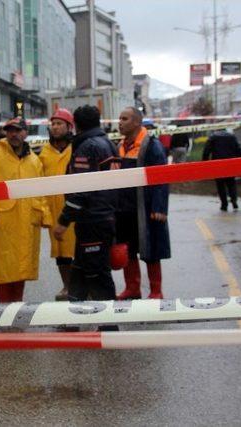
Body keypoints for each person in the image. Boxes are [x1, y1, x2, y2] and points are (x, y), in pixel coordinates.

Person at [0, 117, 52, 303]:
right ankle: (5, 309)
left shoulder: (34, 161)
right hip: (2, 223)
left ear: (25, 133)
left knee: (22, 269)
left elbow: (40, 190)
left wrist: (45, 215)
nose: (14, 134)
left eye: (18, 130)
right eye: (10, 130)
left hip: (27, 222)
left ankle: (16, 308)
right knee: (4, 269)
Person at [53, 105, 119, 303]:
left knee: (98, 276)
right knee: (80, 270)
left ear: (76, 125)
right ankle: (74, 317)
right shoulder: (108, 143)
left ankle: (108, 327)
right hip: (104, 216)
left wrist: (63, 220)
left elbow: (81, 189)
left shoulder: (87, 147)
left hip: (93, 220)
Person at [115, 107, 170, 300]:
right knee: (127, 251)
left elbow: (161, 178)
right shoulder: (120, 145)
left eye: (124, 118)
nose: (119, 122)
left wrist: (159, 207)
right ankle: (133, 288)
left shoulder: (151, 146)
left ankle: (156, 291)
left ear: (137, 122)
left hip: (145, 209)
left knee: (151, 250)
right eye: (120, 118)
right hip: (123, 210)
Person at [39, 108, 75, 301]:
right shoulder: (44, 153)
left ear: (69, 127)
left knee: (78, 250)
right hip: (54, 210)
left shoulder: (76, 148)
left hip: (75, 209)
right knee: (61, 253)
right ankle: (67, 286)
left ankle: (81, 287)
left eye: (59, 123)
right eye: (53, 123)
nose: (55, 127)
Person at [202, 129, 241, 211]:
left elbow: (207, 150)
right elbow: (238, 149)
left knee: (220, 185)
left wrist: (204, 162)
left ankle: (224, 204)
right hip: (230, 163)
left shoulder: (213, 137)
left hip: (218, 163)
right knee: (231, 183)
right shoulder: (231, 136)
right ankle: (234, 200)